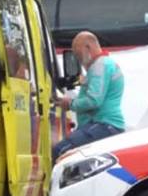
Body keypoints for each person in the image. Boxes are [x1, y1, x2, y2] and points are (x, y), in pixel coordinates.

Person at [52, 32, 125, 161]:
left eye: (78, 53)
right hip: (106, 125)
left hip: (104, 125)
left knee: (60, 151)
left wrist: (70, 104)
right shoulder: (105, 64)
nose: (77, 58)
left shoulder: (99, 66)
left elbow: (94, 100)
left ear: (88, 47)